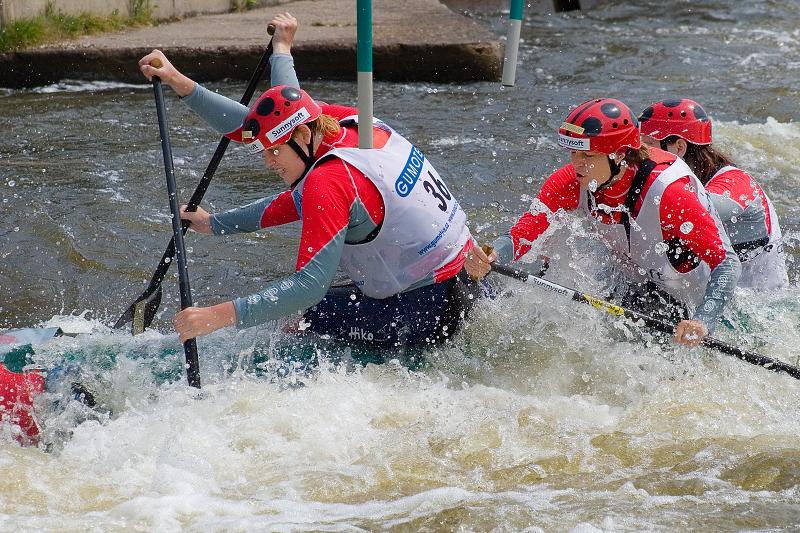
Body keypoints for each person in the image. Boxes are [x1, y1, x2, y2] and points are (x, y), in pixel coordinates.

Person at [137, 14, 478, 349]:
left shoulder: (327, 181)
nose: (267, 161)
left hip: (427, 314)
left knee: (300, 319)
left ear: (301, 134)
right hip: (472, 278)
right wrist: (180, 80)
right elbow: (267, 118)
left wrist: (214, 316)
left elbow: (309, 285)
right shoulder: (344, 122)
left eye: (273, 152)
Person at [465, 98, 741, 347]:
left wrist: (703, 320)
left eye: (587, 156)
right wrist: (493, 254)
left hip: (697, 302)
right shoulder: (570, 182)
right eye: (574, 154)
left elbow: (726, 263)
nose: (577, 166)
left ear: (619, 154)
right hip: (635, 286)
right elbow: (525, 231)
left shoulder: (669, 193)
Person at [639, 98, 789, 290]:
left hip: (761, 307)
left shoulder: (735, 182)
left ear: (679, 147)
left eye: (648, 145)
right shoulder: (691, 180)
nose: (641, 155)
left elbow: (692, 211)